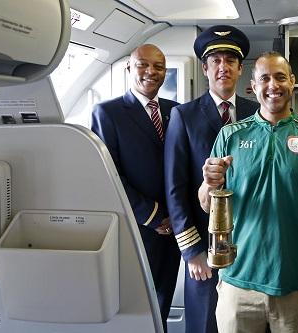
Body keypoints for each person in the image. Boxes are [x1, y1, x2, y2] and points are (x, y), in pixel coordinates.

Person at [198, 51, 298, 332]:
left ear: (292, 81)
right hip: (238, 281)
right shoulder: (231, 136)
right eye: (264, 78)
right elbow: (206, 203)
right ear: (252, 86)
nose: (273, 85)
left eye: (280, 77)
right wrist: (209, 183)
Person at [164, 25, 259, 333]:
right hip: (204, 249)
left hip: (251, 245)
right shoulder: (184, 115)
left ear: (240, 68)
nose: (223, 67)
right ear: (205, 68)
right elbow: (175, 188)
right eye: (215, 60)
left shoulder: (257, 112)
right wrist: (192, 251)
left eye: (230, 61)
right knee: (205, 324)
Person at [91, 44, 181, 333]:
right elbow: (107, 174)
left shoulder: (175, 111)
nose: (151, 72)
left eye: (158, 66)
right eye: (143, 65)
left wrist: (177, 215)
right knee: (137, 306)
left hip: (175, 227)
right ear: (129, 68)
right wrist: (154, 216)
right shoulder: (108, 112)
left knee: (163, 301)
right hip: (139, 227)